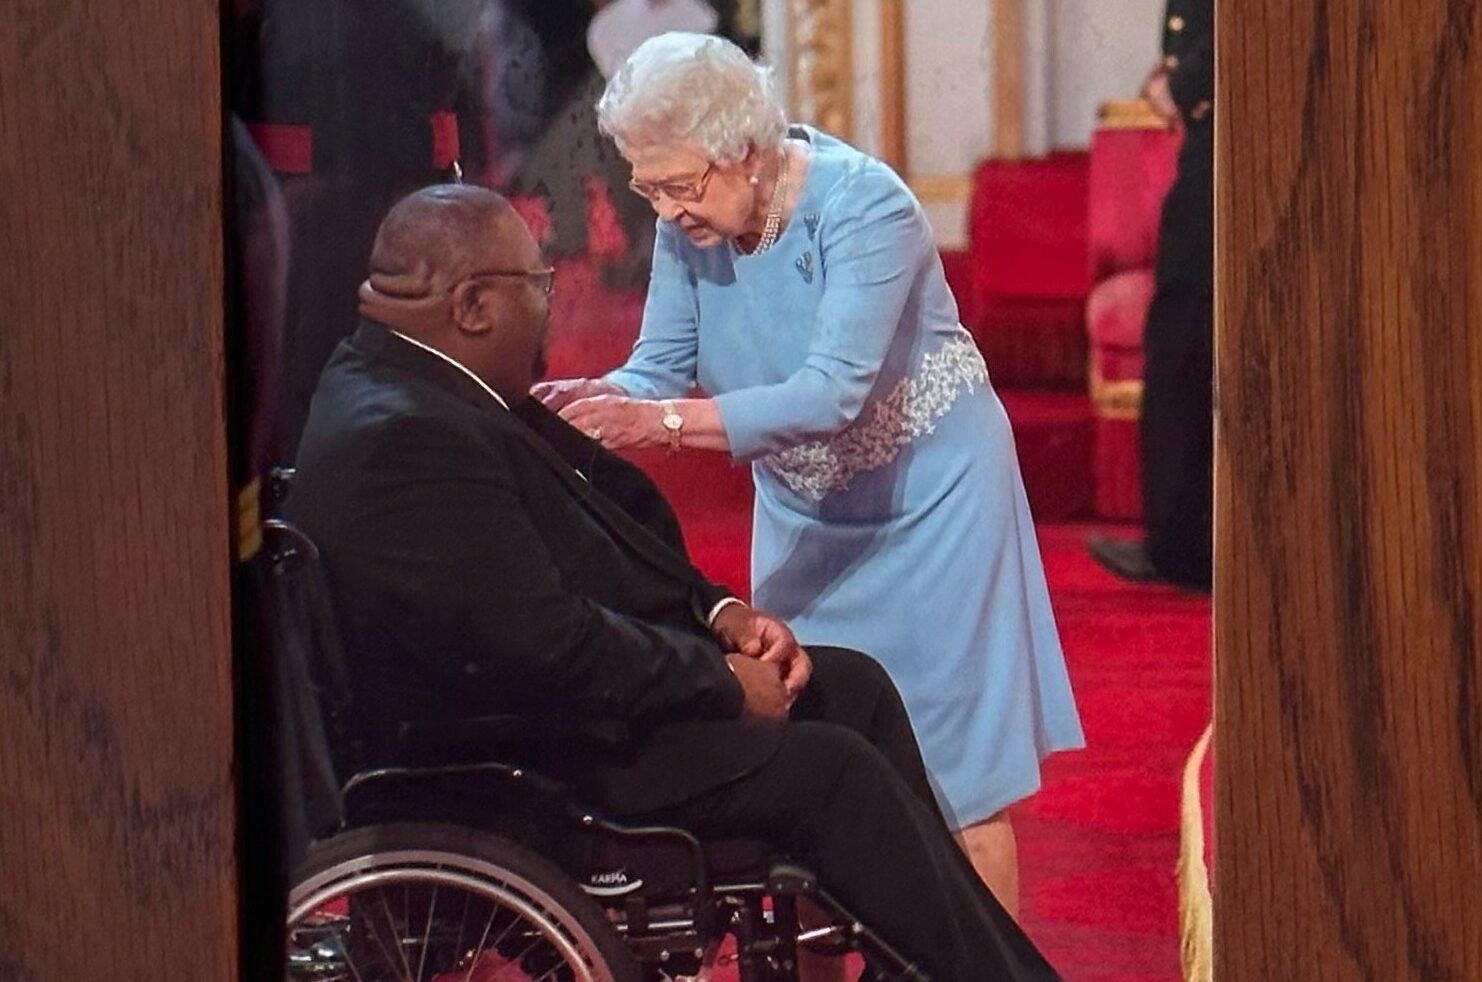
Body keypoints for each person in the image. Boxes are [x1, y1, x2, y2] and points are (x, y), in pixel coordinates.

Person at [284, 184, 1064, 981]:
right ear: (475, 306)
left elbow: (605, 528)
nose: (552, 311)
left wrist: (716, 611)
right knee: (832, 772)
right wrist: (720, 686)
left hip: (535, 714)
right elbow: (547, 646)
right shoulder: (410, 439)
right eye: (539, 288)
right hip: (523, 768)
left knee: (854, 687)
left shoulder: (425, 382)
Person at [533, 32, 1083, 914]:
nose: (666, 211)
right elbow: (659, 367)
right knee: (810, 759)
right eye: (648, 186)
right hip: (804, 510)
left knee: (955, 785)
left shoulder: (871, 209)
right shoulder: (695, 220)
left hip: (932, 504)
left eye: (679, 184)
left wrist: (660, 423)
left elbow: (831, 395)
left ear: (746, 150)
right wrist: (584, 403)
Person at [1087, 0, 1213, 591]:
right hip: (1210, 144)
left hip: (1223, 152)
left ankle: (1184, 547)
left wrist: (1183, 84)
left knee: (1185, 341)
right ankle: (1183, 539)